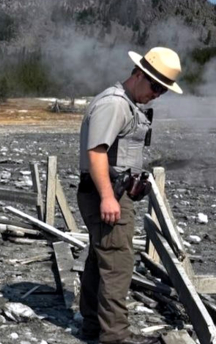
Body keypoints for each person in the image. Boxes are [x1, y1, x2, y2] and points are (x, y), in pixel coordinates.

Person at [77, 47, 183, 344]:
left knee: (101, 260)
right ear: (139, 74)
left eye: (164, 89)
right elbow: (97, 152)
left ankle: (94, 327)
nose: (158, 94)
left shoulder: (126, 104)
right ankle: (114, 337)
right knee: (118, 264)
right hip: (106, 193)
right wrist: (109, 197)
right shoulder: (115, 104)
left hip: (111, 190)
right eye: (156, 86)